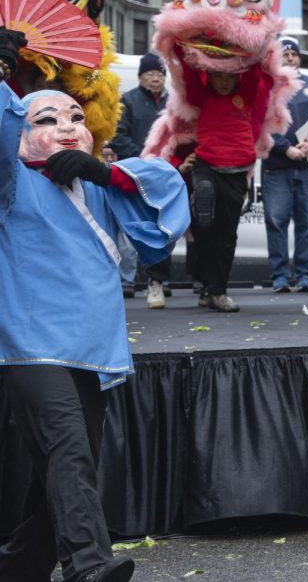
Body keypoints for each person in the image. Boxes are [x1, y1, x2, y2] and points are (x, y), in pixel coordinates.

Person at [0, 30, 189, 582]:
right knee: (69, 452)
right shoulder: (8, 182)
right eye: (45, 120)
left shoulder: (98, 184)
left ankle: (19, 569)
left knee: (58, 465)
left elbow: (163, 217)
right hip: (28, 343)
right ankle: (88, 566)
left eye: (75, 117)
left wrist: (104, 171)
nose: (65, 126)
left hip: (92, 346)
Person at [173, 62, 275, 312]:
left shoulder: (246, 93)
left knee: (226, 236)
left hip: (237, 170)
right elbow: (189, 71)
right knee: (204, 221)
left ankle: (215, 290)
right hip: (205, 163)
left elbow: (255, 68)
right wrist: (180, 41)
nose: (224, 82)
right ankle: (208, 284)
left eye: (229, 77)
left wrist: (254, 34)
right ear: (210, 77)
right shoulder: (202, 94)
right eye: (218, 76)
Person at [262, 37, 308, 293]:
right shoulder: (267, 88)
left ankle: (305, 275)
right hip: (276, 168)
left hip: (307, 168)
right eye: (285, 53)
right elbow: (261, 122)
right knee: (276, 222)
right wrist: (286, 148)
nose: (290, 57)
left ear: (299, 58)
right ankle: (280, 276)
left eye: (294, 54)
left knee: (307, 224)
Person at [111, 52, 172, 307]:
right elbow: (118, 135)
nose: (156, 79)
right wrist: (141, 157)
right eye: (150, 74)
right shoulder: (128, 101)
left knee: (163, 227)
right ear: (140, 77)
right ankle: (129, 278)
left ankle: (158, 280)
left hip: (167, 175)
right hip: (135, 173)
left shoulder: (173, 103)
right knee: (134, 226)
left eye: (160, 74)